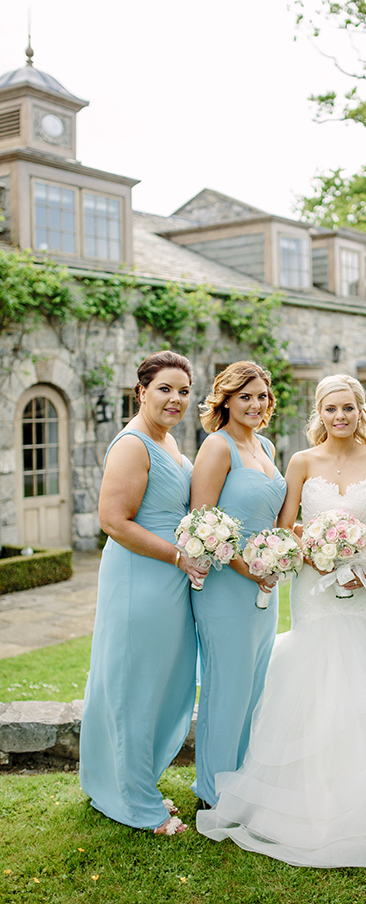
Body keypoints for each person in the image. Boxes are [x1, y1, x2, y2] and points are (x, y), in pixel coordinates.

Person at [196, 374, 366, 869]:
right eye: (330, 410)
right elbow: (286, 526)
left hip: (363, 589)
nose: (340, 417)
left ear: (360, 410)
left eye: (348, 408)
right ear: (318, 415)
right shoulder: (302, 462)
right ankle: (305, 796)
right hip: (314, 586)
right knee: (313, 675)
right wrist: (316, 554)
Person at [80, 350, 204, 835]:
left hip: (169, 581)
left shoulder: (169, 443)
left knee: (159, 686)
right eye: (165, 389)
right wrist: (178, 555)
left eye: (183, 391)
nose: (175, 399)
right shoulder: (133, 444)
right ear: (142, 392)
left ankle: (132, 780)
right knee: (133, 686)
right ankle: (132, 801)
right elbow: (113, 521)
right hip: (140, 580)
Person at [190, 361, 286, 810]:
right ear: (226, 399)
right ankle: (213, 790)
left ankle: (243, 778)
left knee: (255, 684)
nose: (254, 403)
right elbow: (201, 525)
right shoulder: (217, 446)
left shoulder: (265, 445)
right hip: (228, 585)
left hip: (266, 585)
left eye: (261, 395)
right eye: (245, 395)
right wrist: (251, 568)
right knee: (227, 685)